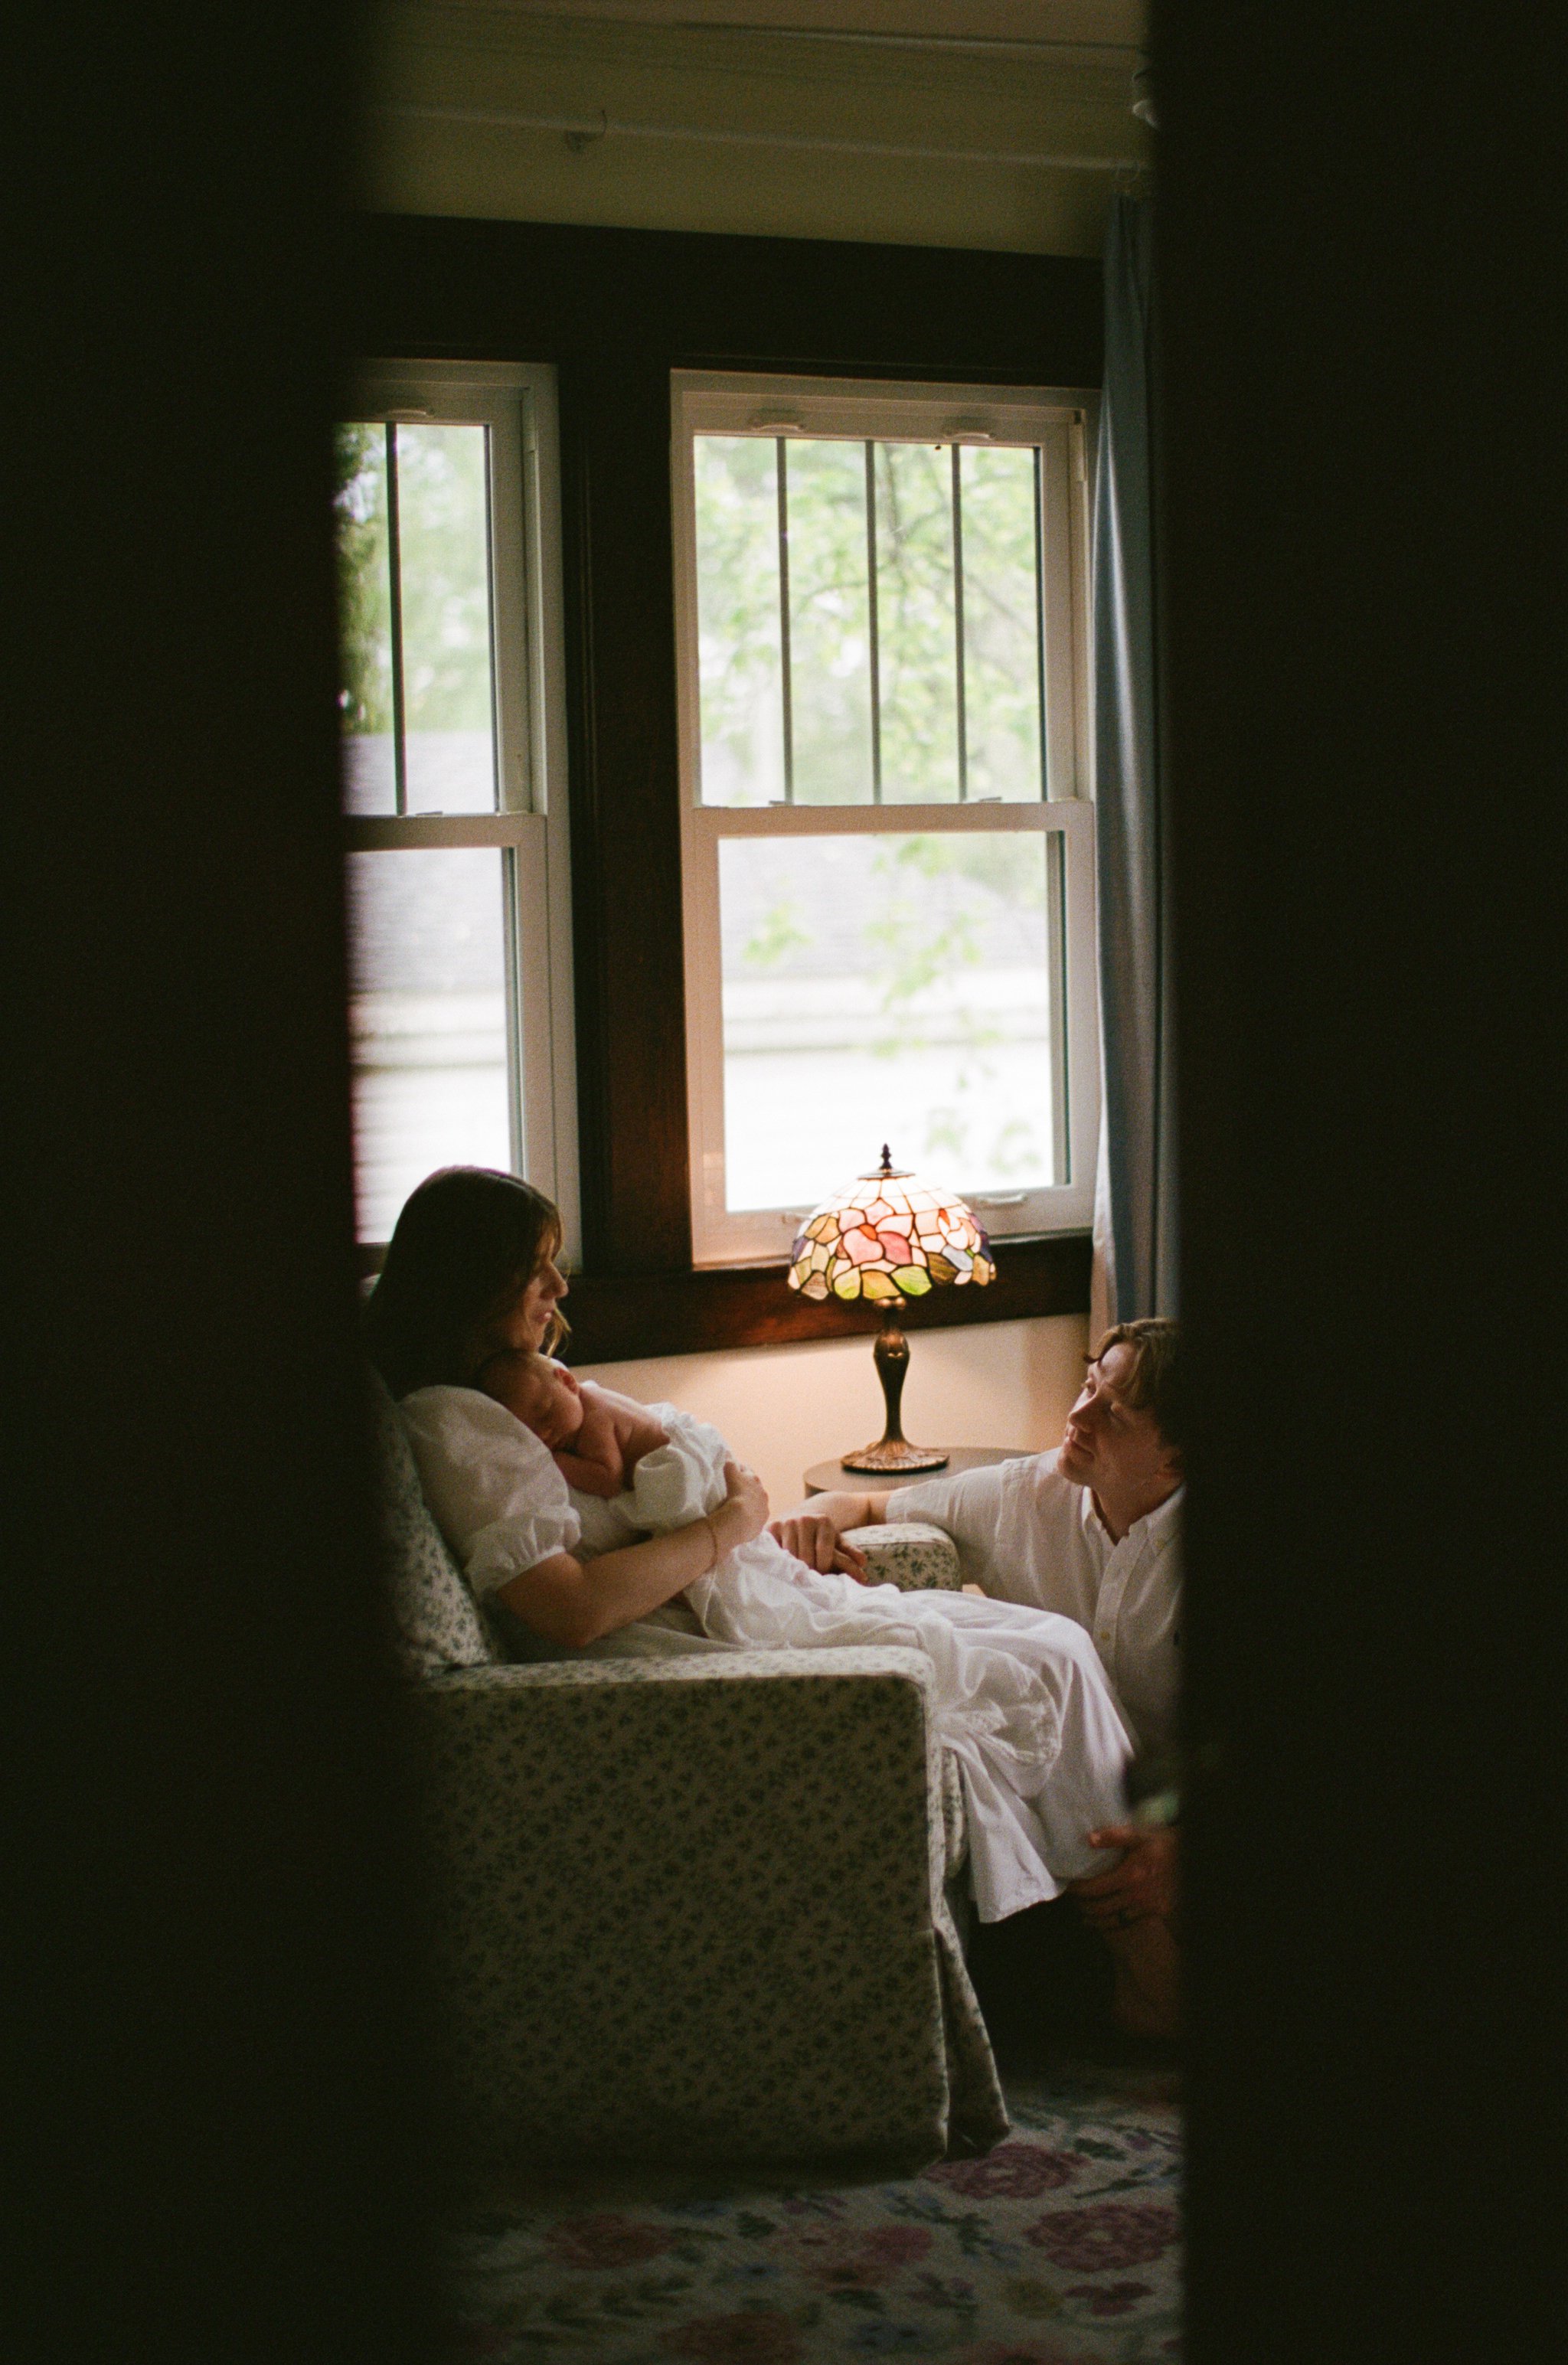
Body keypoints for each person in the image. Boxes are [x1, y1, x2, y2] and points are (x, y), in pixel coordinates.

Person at [368, 1168, 1162, 1991]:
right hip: (669, 1647)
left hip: (724, 1597)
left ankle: (1120, 1928)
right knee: (1039, 1658)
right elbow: (569, 1608)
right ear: (475, 1279)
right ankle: (1134, 1950)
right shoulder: (457, 1419)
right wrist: (730, 1525)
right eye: (537, 1268)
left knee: (1050, 1642)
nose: (560, 1286)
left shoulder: (519, 1385)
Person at [769, 1318, 1184, 2030]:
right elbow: (870, 1503)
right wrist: (811, 1513)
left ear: (1177, 1457)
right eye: (1088, 1385)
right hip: (1069, 1839)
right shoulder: (1025, 1493)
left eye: (1111, 1412)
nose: (1077, 1414)